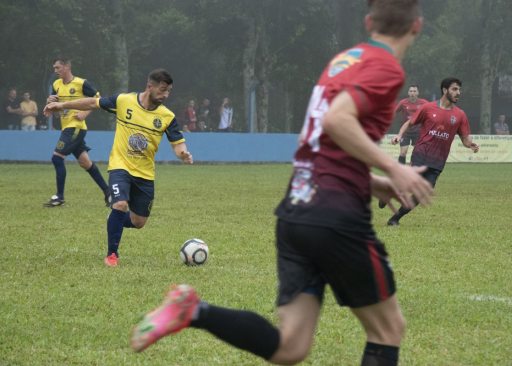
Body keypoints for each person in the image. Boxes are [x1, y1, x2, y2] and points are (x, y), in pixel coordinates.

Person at [130, 2, 431, 366]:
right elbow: (338, 121)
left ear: (369, 22)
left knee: (291, 346)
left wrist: (370, 181)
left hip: (297, 212)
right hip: (335, 219)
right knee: (387, 331)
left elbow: (321, 145)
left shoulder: (345, 60)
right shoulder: (385, 67)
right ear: (417, 26)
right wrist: (393, 167)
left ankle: (194, 311)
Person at [44, 69, 193, 267]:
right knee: (120, 204)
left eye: (169, 91)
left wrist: (183, 154)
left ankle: (115, 218)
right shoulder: (124, 101)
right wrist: (61, 105)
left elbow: (177, 144)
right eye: (163, 90)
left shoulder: (167, 116)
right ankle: (112, 254)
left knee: (139, 222)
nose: (165, 95)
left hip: (145, 173)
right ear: (150, 86)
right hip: (120, 166)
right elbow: (91, 102)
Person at [385, 77, 479, 226]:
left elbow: (465, 139)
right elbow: (409, 123)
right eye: (455, 89)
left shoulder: (460, 115)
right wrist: (399, 135)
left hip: (438, 161)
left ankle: (395, 218)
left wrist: (471, 144)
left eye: (459, 90)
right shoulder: (428, 108)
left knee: (422, 193)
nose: (458, 93)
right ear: (445, 90)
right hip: (421, 154)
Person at [43, 57, 110, 207]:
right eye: (54, 68)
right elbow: (56, 109)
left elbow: (98, 99)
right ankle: (108, 192)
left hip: (76, 128)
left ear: (67, 67)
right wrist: (50, 104)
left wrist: (85, 114)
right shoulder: (56, 84)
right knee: (85, 162)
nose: (55, 71)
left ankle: (59, 197)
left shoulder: (81, 83)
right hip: (67, 127)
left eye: (58, 68)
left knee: (57, 158)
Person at [394, 85, 429, 164]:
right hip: (406, 132)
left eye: (414, 91)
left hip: (418, 132)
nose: (412, 93)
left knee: (416, 154)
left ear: (418, 93)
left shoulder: (424, 103)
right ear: (408, 93)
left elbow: (432, 111)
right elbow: (394, 112)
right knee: (403, 153)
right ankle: (401, 171)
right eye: (411, 91)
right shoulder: (403, 102)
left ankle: (413, 171)